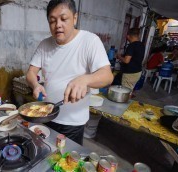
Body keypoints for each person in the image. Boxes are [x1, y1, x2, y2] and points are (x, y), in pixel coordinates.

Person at [26, 0, 113, 145]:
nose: (58, 25)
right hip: (46, 115)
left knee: (66, 162)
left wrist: (85, 80)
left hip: (72, 121)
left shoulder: (90, 41)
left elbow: (107, 75)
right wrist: (35, 84)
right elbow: (30, 72)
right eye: (52, 21)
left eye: (63, 19)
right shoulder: (44, 44)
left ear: (75, 18)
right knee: (46, 154)